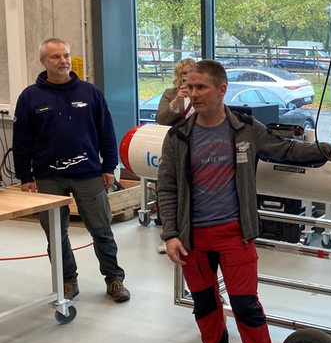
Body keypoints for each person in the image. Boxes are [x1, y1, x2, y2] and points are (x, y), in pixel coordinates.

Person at [157, 59, 331, 343]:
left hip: (234, 233)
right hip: (192, 238)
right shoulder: (178, 136)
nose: (193, 94)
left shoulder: (245, 130)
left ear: (222, 90)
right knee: (205, 305)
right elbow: (167, 188)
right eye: (190, 87)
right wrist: (170, 234)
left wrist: (329, 150)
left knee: (246, 306)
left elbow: (286, 150)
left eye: (201, 87)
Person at [13, 37, 130, 303]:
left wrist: (109, 165)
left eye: (66, 55)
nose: (63, 61)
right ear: (43, 61)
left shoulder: (90, 92)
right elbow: (22, 140)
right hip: (47, 177)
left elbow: (106, 132)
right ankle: (67, 281)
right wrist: (25, 176)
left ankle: (114, 279)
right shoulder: (30, 97)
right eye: (56, 57)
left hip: (88, 173)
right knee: (55, 233)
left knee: (101, 229)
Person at [153, 57, 196, 254]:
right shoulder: (170, 94)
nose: (186, 78)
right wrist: (178, 99)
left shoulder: (202, 92)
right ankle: (167, 234)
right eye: (183, 74)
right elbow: (162, 119)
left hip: (198, 146)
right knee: (169, 187)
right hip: (175, 146)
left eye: (190, 73)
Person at [156, 57, 196, 126]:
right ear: (180, 76)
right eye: (184, 73)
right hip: (176, 135)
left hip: (198, 134)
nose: (188, 76)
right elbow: (160, 120)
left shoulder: (203, 93)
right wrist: (176, 101)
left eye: (191, 72)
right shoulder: (169, 93)